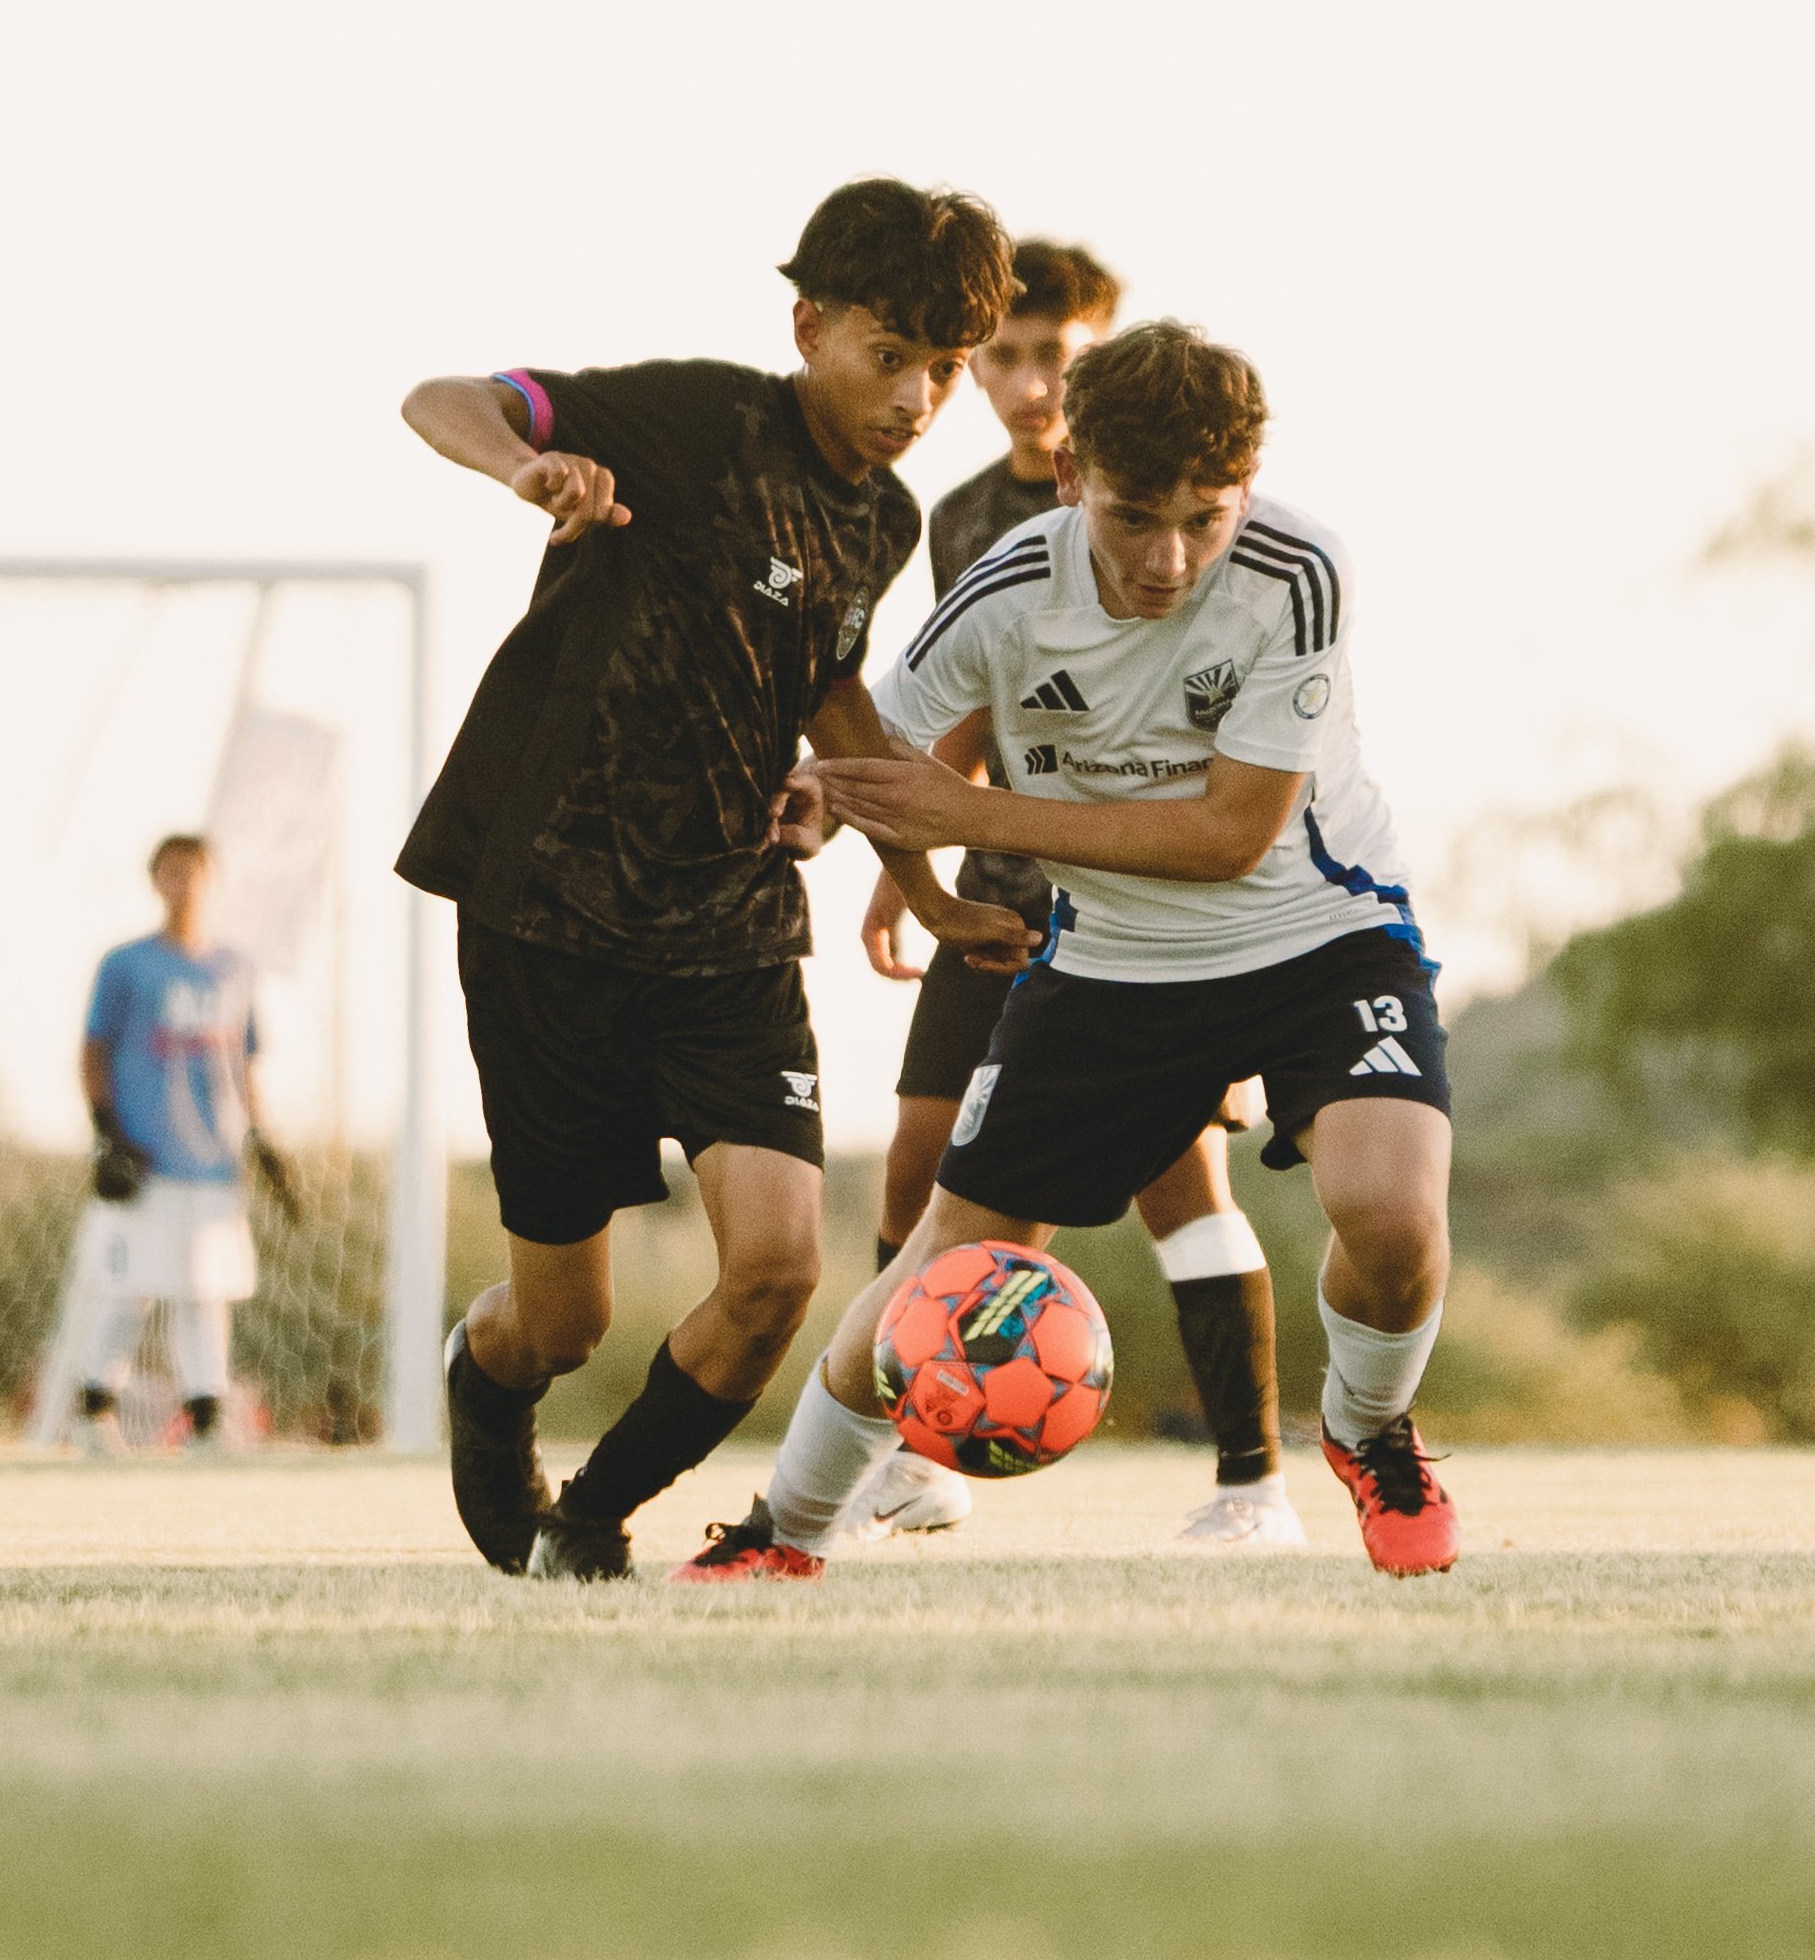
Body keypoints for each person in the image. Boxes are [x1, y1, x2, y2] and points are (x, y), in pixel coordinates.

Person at [673, 319, 1459, 1584]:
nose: (1167, 557)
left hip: (1320, 931)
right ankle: (785, 1533)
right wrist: (823, 798)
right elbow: (882, 747)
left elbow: (1228, 834)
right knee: (948, 1256)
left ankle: (1367, 1429)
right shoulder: (1004, 587)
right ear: (1075, 469)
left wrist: (966, 813)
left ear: (1244, 486)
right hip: (1112, 968)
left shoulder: (1297, 568)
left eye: (1203, 518)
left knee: (1391, 1211)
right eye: (1135, 515)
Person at [396, 177, 1030, 1583]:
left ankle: (592, 1519)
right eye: (890, 356)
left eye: (947, 369)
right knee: (559, 1321)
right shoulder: (693, 420)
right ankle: (487, 1383)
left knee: (779, 1272)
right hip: (549, 916)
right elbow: (443, 395)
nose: (918, 396)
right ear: (809, 323)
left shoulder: (888, 521)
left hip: (732, 929)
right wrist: (528, 470)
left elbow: (831, 695)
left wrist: (925, 892)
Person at [843, 240, 1299, 1550]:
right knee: (922, 1168)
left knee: (1176, 1183)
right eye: (1008, 355)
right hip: (994, 893)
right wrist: (904, 872)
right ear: (973, 367)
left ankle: (1252, 1481)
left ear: (1102, 358)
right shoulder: (964, 520)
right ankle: (910, 1460)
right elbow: (964, 703)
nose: (1034, 378)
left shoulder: (1185, 518)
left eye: (1060, 353)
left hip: (1143, 903)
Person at [76, 834, 296, 1451]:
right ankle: (93, 1413)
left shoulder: (236, 967)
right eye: (171, 872)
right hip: (146, 1158)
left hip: (215, 1161)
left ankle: (206, 1422)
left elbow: (245, 1062)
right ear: (154, 880)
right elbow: (93, 1052)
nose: (183, 884)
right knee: (130, 1287)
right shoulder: (125, 964)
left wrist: (263, 1139)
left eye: (194, 872)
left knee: (209, 1289)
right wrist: (107, 1133)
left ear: (212, 879)